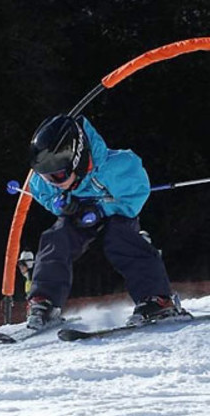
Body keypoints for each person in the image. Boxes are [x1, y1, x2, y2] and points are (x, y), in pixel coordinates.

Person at [24, 114, 179, 329]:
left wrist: (100, 209)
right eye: (46, 178)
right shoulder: (48, 180)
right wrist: (61, 204)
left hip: (117, 216)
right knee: (56, 238)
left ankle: (157, 299)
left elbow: (136, 196)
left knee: (121, 239)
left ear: (76, 162)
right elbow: (43, 193)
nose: (52, 183)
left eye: (57, 177)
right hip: (78, 217)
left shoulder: (118, 167)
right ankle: (44, 302)